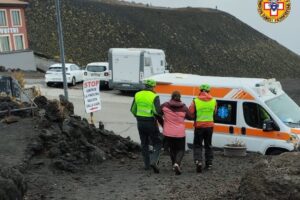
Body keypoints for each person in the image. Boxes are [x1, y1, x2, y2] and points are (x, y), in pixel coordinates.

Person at [130, 79, 162, 173]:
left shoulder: (137, 94)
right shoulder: (154, 96)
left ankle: (147, 165)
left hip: (140, 122)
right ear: (153, 86)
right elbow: (157, 112)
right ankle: (154, 161)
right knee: (158, 142)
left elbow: (132, 109)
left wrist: (138, 117)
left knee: (144, 143)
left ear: (145, 86)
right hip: (151, 122)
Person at [161, 91, 192, 175]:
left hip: (168, 132)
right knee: (181, 149)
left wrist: (163, 122)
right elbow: (190, 117)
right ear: (180, 97)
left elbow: (157, 113)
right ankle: (177, 163)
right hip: (179, 133)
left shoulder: (165, 105)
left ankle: (173, 164)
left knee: (172, 149)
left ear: (171, 96)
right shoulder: (184, 107)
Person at [189, 84, 217, 173]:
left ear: (200, 91)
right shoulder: (214, 101)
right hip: (209, 127)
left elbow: (190, 113)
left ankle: (198, 161)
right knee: (208, 145)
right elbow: (214, 113)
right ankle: (209, 164)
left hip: (199, 127)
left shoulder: (195, 101)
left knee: (197, 145)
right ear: (209, 91)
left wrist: (195, 117)